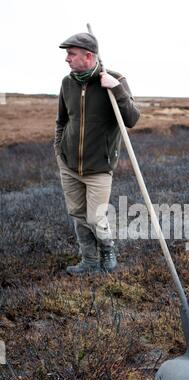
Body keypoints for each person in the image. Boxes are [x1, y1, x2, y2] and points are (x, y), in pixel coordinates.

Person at [54, 32, 140, 275]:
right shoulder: (67, 83)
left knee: (95, 217)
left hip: (99, 167)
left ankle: (107, 251)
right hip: (69, 164)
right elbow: (62, 120)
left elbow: (132, 119)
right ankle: (89, 261)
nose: (67, 59)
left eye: (71, 54)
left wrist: (117, 90)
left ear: (88, 56)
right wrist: (58, 149)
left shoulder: (115, 79)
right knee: (78, 215)